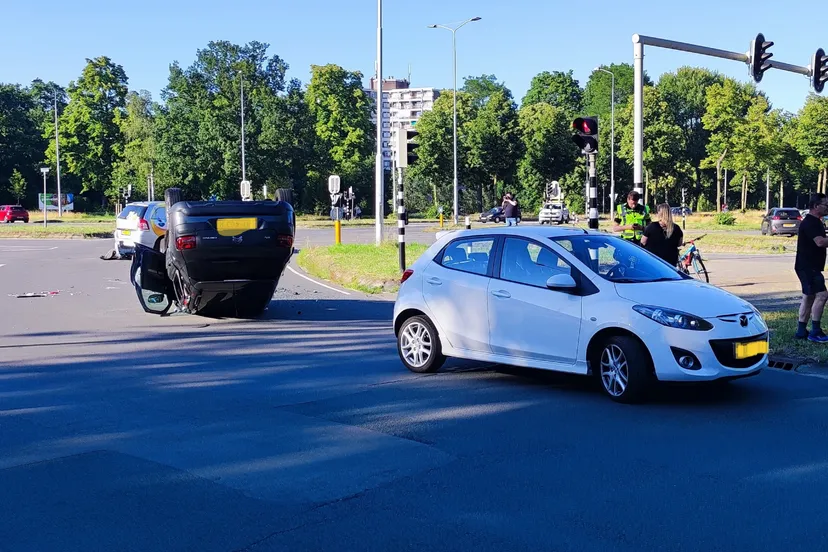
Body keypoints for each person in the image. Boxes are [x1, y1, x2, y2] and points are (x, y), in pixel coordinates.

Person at [795, 193, 828, 342]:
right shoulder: (810, 223)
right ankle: (815, 331)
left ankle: (801, 331)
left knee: (809, 297)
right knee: (822, 295)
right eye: (825, 205)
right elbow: (820, 242)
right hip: (809, 267)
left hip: (807, 266)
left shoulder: (815, 222)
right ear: (816, 206)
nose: (827, 208)